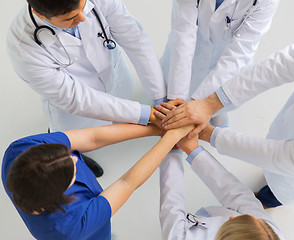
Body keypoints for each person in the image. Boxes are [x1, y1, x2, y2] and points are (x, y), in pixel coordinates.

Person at [156, 27, 294, 207]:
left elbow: (282, 156)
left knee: (273, 194)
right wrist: (211, 103)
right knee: (272, 150)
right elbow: (282, 64)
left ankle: (264, 200)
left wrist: (209, 135)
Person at [7, 0, 166, 176]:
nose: (83, 17)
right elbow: (76, 98)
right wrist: (147, 114)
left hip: (114, 78)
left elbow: (136, 41)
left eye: (84, 7)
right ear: (40, 15)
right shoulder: (23, 46)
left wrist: (160, 99)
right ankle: (71, 155)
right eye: (72, 17)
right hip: (74, 110)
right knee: (70, 141)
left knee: (117, 108)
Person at [2, 123, 193, 239]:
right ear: (61, 194)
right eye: (72, 170)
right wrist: (172, 137)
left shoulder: (18, 150)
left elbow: (92, 137)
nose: (77, 158)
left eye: (68, 154)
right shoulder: (70, 228)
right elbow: (127, 183)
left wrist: (158, 128)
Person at [160, 0, 279, 126]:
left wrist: (200, 106)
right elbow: (183, 34)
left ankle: (215, 110)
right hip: (190, 50)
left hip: (228, 60)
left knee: (217, 98)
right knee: (170, 96)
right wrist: (176, 98)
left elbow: (238, 54)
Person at [159, 133, 284, 239]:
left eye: (232, 223)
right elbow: (234, 193)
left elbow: (171, 205)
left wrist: (172, 151)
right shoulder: (268, 232)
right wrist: (193, 150)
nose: (232, 217)